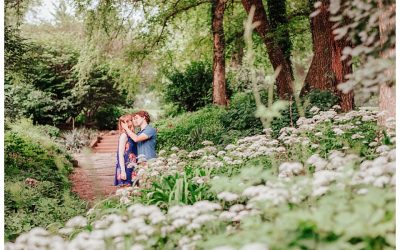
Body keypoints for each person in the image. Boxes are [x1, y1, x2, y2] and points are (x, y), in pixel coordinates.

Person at [114, 114, 138, 187]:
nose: (131, 122)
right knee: (127, 190)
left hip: (133, 165)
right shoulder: (124, 135)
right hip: (126, 166)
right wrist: (123, 171)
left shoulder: (132, 134)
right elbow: (120, 154)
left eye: (130, 120)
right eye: (127, 121)